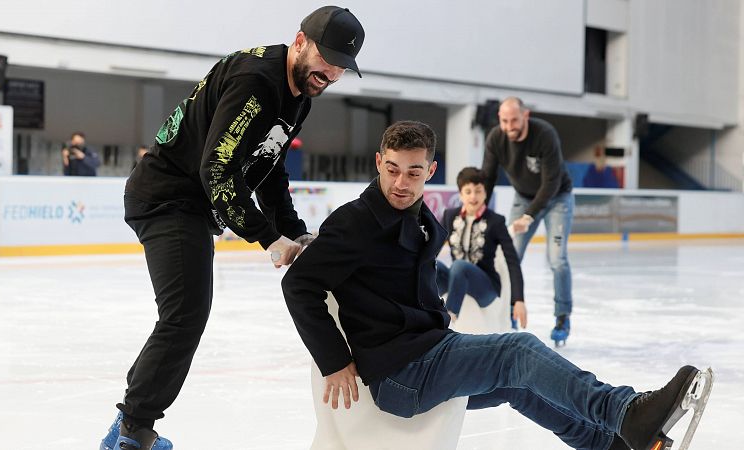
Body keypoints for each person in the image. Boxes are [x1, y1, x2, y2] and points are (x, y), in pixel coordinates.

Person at [282, 121, 712, 450]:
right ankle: (625, 412)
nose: (400, 182)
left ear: (430, 170)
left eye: (413, 172)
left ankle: (605, 443)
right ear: (379, 162)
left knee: (519, 382)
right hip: (400, 373)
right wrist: (334, 360)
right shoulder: (354, 222)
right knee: (517, 351)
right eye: (392, 169)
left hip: (425, 350)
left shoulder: (425, 221)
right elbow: (299, 285)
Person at [100, 6, 365, 450]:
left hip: (190, 203)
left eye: (342, 66)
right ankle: (132, 433)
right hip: (168, 196)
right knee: (185, 314)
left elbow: (270, 167)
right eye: (327, 58)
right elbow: (218, 170)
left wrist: (294, 231)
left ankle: (128, 425)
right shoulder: (257, 81)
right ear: (300, 41)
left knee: (185, 313)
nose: (332, 72)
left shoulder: (297, 92)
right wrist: (269, 238)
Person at [481, 97, 575, 345]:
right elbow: (487, 179)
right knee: (512, 255)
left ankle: (562, 317)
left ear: (526, 116)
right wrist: (479, 210)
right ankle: (511, 308)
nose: (509, 126)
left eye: (514, 120)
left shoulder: (544, 134)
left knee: (557, 259)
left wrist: (529, 215)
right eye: (504, 121)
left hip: (558, 198)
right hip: (523, 197)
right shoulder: (496, 138)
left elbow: (552, 182)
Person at [435, 166, 526, 328]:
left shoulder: (496, 221)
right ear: (461, 194)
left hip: (486, 287)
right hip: (457, 280)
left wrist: (518, 300)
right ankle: (423, 311)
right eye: (468, 191)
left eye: (478, 191)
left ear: (485, 193)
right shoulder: (449, 216)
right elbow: (432, 248)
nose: (473, 196)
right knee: (432, 265)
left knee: (459, 266)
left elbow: (512, 261)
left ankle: (448, 318)